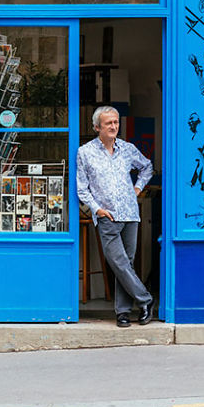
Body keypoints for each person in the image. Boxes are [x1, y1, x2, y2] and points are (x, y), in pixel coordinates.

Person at [76, 105, 154, 328]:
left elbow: (147, 167)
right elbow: (82, 188)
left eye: (116, 122)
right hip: (107, 216)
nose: (113, 126)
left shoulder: (128, 149)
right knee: (118, 262)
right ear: (96, 127)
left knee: (125, 264)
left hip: (130, 214)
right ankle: (146, 300)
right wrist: (97, 209)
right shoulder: (85, 152)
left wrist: (137, 189)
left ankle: (123, 312)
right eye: (108, 123)